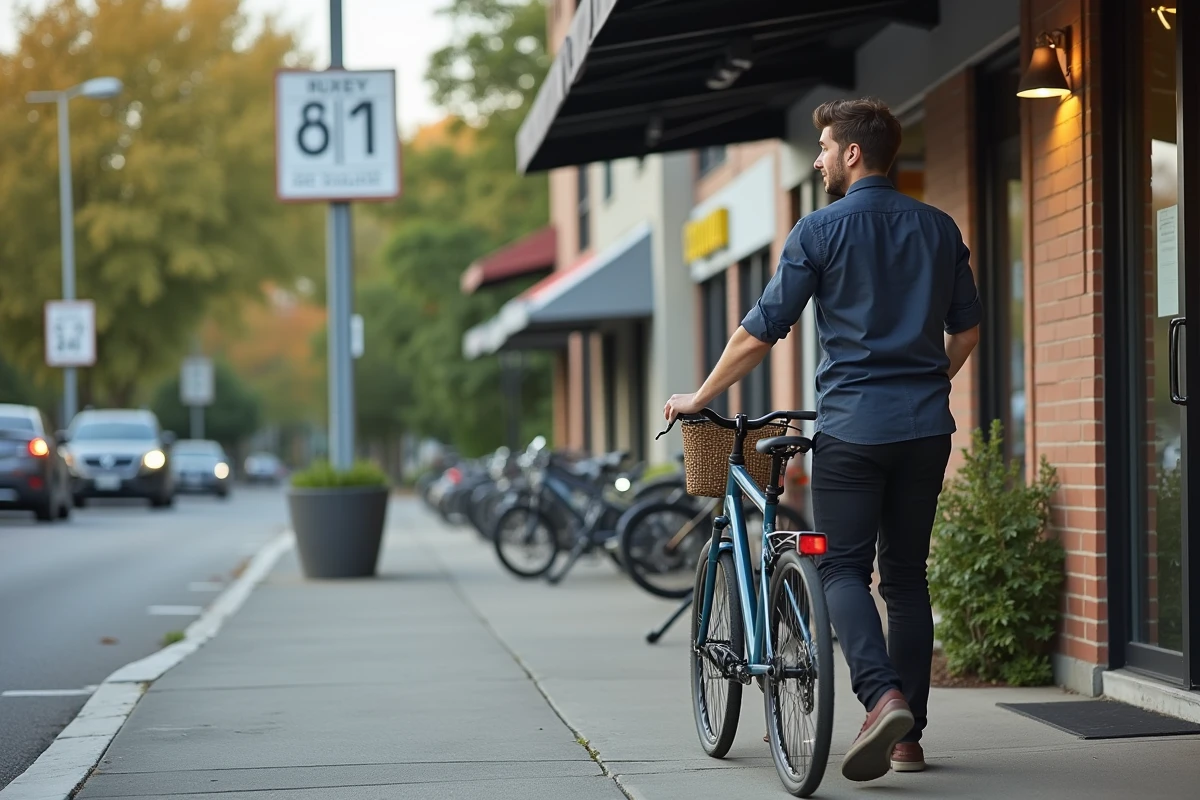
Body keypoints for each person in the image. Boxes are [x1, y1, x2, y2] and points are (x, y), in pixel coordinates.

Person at [663, 97, 981, 782]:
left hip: (854, 428)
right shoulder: (939, 227)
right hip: (926, 429)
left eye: (826, 148)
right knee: (906, 578)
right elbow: (968, 330)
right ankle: (908, 740)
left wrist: (700, 398)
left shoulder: (819, 229)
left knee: (840, 569)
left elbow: (759, 331)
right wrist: (929, 383)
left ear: (852, 154)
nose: (818, 161)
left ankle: (882, 697)